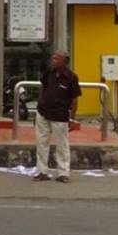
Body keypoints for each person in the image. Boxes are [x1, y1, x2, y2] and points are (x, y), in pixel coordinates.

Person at [32, 50, 82, 184]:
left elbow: (74, 100)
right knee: (41, 142)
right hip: (43, 112)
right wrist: (39, 106)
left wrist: (72, 118)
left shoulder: (71, 77)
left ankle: (63, 173)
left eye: (57, 59)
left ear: (65, 61)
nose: (53, 61)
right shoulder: (49, 73)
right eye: (53, 58)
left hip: (60, 115)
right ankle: (42, 171)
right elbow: (43, 88)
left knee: (62, 145)